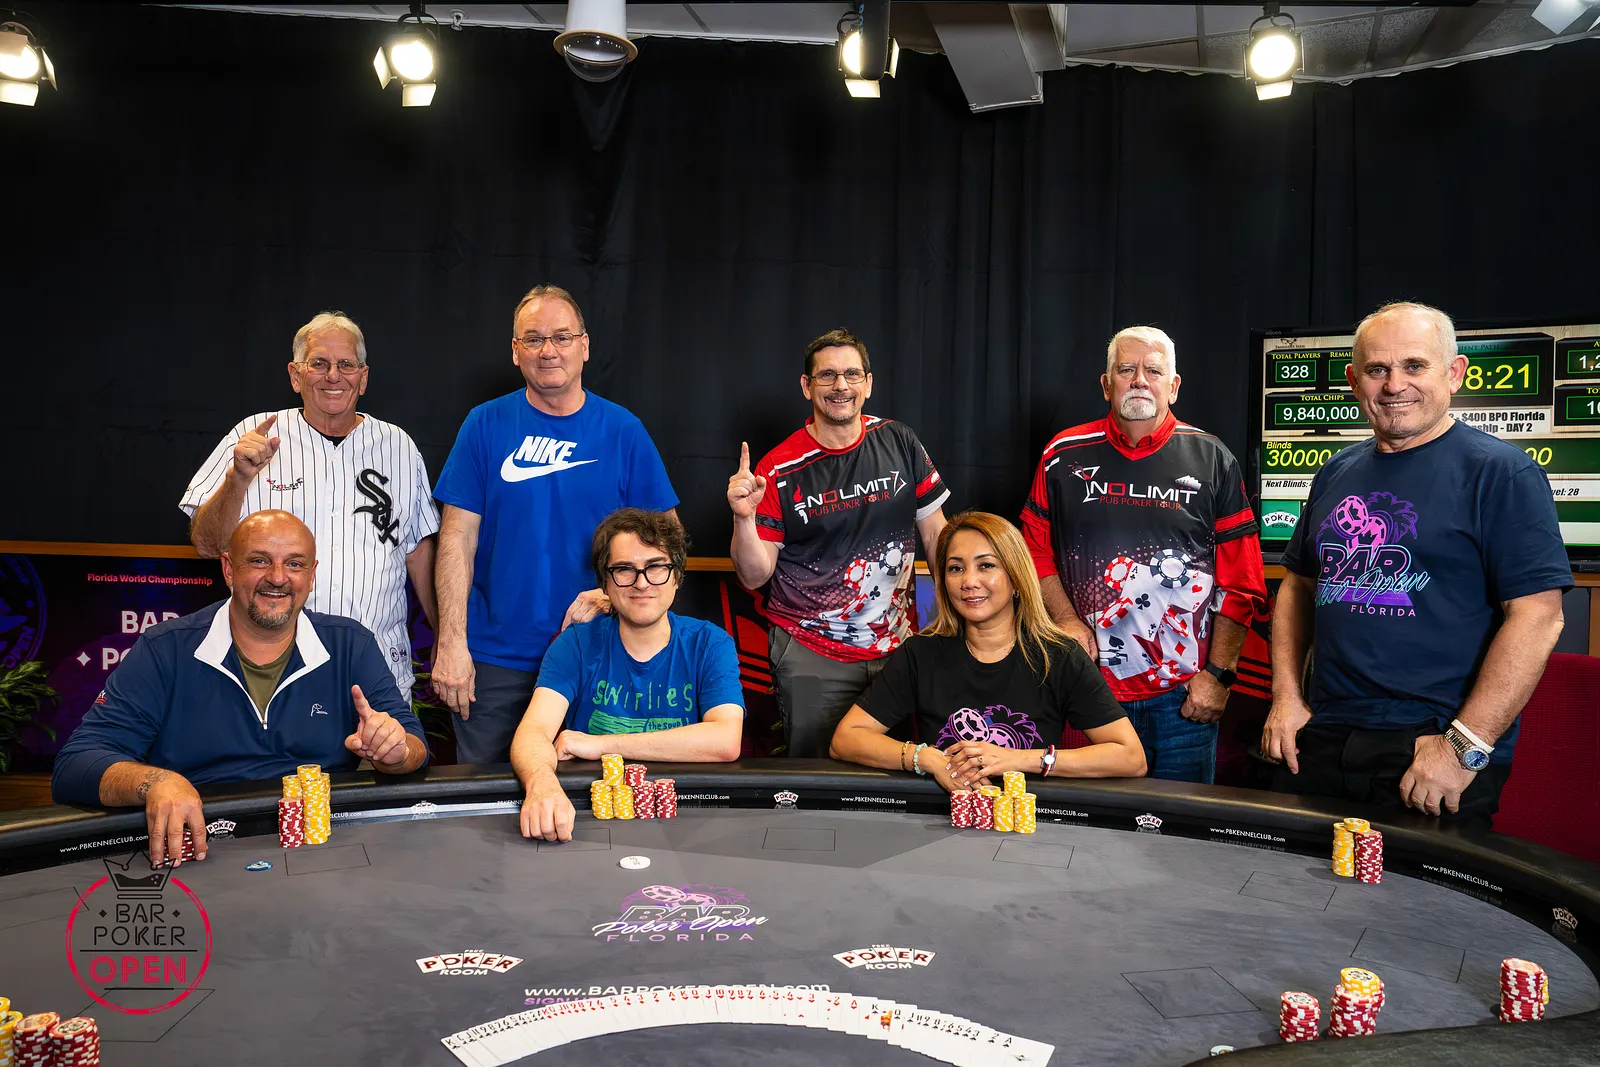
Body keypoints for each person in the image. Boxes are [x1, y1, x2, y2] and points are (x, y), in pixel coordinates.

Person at [1263, 303, 1568, 826]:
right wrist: (1286, 698)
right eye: (1377, 369)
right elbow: (1297, 588)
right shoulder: (1336, 471)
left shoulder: (1502, 473)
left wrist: (1464, 746)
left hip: (1430, 747)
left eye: (1414, 366)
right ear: (1354, 380)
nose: (1394, 385)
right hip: (1322, 737)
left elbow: (1539, 617)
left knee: (1420, 886)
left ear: (1454, 373)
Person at [51, 511, 427, 865]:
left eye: (294, 564)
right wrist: (156, 781)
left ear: (311, 575)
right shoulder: (165, 648)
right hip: (202, 851)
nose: (278, 578)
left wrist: (395, 752)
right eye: (260, 561)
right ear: (229, 569)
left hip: (321, 849)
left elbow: (413, 744)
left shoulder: (350, 644)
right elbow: (75, 765)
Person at [433, 285, 679, 764]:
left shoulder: (623, 431)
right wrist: (451, 642)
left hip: (598, 654)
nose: (548, 350)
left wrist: (610, 596)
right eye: (534, 338)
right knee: (483, 800)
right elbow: (457, 538)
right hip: (493, 661)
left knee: (592, 800)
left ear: (584, 346)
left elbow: (669, 545)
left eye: (562, 337)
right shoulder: (484, 425)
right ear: (515, 351)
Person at [1020, 326, 1267, 784]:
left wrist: (1219, 676)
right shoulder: (1062, 454)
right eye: (1126, 369)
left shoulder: (1212, 457)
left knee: (1179, 826)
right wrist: (1067, 620)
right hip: (1086, 691)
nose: (1139, 380)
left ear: (1173, 386)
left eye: (1153, 370)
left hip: (1182, 698)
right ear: (1105, 383)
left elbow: (1242, 580)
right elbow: (1032, 551)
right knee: (1083, 824)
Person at [180, 311, 440, 701]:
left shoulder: (398, 446)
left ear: (363, 378)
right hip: (274, 668)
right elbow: (206, 544)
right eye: (318, 363)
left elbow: (418, 552)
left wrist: (444, 637)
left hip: (378, 666)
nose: (333, 376)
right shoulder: (253, 435)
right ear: (295, 375)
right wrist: (237, 478)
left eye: (346, 365)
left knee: (384, 742)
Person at [728, 328, 950, 758]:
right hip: (812, 653)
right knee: (816, 775)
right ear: (807, 386)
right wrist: (743, 518)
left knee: (897, 771)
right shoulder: (778, 467)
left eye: (852, 374)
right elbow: (754, 575)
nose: (841, 386)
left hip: (896, 649)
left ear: (868, 383)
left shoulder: (900, 441)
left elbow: (937, 536)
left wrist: (952, 620)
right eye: (827, 375)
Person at [830, 512, 1145, 790]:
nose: (969, 581)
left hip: (1030, 823)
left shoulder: (1060, 656)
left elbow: (1131, 757)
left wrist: (1018, 759)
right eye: (956, 568)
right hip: (940, 821)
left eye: (986, 566)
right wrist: (927, 758)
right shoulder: (920, 653)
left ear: (1016, 578)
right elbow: (846, 739)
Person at [510, 510, 745, 842]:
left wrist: (600, 745)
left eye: (656, 567)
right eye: (624, 569)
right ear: (605, 582)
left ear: (677, 577)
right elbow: (533, 731)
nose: (641, 583)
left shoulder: (710, 643)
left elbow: (725, 741)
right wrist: (541, 784)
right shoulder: (576, 644)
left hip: (689, 824)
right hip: (590, 820)